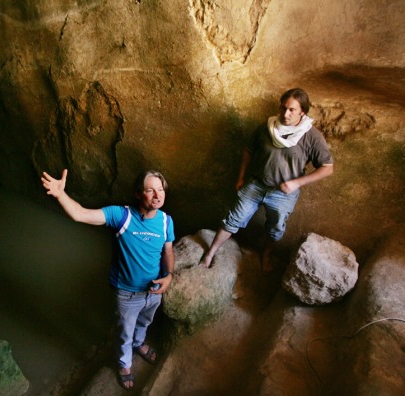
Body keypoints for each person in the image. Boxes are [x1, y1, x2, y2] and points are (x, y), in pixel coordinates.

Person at [41, 169, 175, 391]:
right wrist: (60, 194)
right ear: (138, 194)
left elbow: (168, 251)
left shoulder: (166, 222)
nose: (157, 195)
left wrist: (169, 276)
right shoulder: (121, 216)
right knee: (124, 332)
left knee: (145, 322)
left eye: (160, 190)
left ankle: (139, 344)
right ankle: (124, 365)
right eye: (150, 190)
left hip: (153, 291)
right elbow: (81, 214)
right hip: (127, 293)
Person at [200, 88, 333, 272]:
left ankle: (266, 254)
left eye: (292, 110)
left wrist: (297, 183)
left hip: (283, 194)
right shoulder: (267, 127)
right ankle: (211, 252)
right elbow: (248, 151)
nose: (285, 114)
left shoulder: (311, 136)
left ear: (302, 111)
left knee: (275, 229)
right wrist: (241, 177)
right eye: (283, 108)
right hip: (256, 184)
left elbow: (327, 168)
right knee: (232, 219)